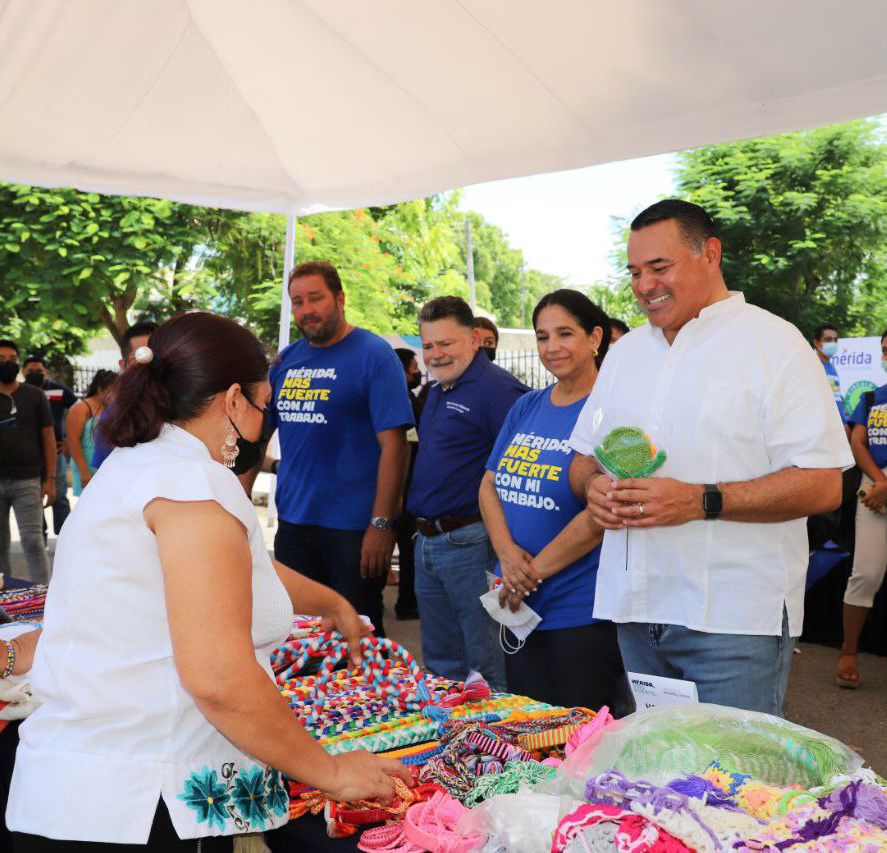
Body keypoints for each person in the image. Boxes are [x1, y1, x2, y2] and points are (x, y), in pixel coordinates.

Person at [7, 312, 408, 850]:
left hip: (90, 794)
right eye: (264, 406)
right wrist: (332, 772)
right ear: (235, 400)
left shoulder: (141, 464)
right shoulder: (190, 484)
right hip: (139, 805)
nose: (264, 425)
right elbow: (219, 677)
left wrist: (331, 604)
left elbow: (235, 568)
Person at [568, 199, 851, 716]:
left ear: (711, 254)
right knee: (656, 765)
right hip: (635, 611)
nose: (644, 285)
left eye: (660, 266)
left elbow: (823, 484)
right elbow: (583, 458)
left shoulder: (774, 344)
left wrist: (701, 501)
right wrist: (592, 487)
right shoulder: (626, 354)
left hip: (733, 620)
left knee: (734, 768)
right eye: (634, 272)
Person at [479, 290, 631, 713]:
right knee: (530, 730)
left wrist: (528, 574)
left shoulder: (612, 412)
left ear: (595, 337)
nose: (552, 347)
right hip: (517, 603)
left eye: (565, 334)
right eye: (543, 337)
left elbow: (602, 514)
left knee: (580, 735)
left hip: (578, 612)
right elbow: (488, 485)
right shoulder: (527, 405)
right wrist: (507, 556)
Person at [269, 262, 413, 637]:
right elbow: (254, 436)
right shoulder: (285, 362)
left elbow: (395, 447)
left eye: (315, 298)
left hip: (354, 532)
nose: (306, 310)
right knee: (300, 638)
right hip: (294, 527)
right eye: (298, 301)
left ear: (340, 298)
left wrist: (381, 525)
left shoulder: (374, 355)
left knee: (357, 638)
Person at [409, 296, 528, 687]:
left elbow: (517, 475)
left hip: (472, 543)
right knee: (441, 668)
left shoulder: (497, 389)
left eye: (446, 343)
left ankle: (494, 730)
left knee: (485, 667)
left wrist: (506, 550)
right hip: (428, 542)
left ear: (475, 339)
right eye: (428, 345)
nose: (435, 354)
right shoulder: (439, 389)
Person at [836, 329, 887, 688]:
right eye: (885, 350)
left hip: (881, 488)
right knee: (866, 574)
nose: (886, 357)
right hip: (875, 489)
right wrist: (881, 483)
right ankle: (848, 650)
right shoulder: (871, 398)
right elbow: (857, 443)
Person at [0, 340, 54, 584]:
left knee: (33, 541)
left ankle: (42, 595)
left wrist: (50, 478)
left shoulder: (34, 395)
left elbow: (48, 437)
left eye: (12, 359)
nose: (7, 363)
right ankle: (5, 596)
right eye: (2, 359)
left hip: (28, 480)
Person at [91, 322, 158, 470]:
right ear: (123, 365)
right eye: (139, 360)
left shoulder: (189, 407)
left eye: (155, 358)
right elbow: (105, 472)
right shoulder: (113, 417)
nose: (149, 368)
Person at [22, 355, 77, 534]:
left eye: (39, 370)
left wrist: (69, 439)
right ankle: (40, 537)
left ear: (46, 372)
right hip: (29, 454)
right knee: (33, 498)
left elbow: (79, 409)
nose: (35, 373)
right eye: (30, 371)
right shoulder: (18, 393)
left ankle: (66, 537)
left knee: (59, 494)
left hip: (56, 451)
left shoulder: (59, 391)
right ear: (23, 372)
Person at [392, 347, 423, 620]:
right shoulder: (404, 400)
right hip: (404, 486)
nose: (418, 373)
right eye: (414, 369)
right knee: (408, 548)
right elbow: (408, 445)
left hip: (402, 486)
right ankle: (407, 602)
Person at [67, 369, 116, 495]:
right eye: (113, 390)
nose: (116, 394)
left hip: (107, 466)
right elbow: (72, 440)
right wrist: (84, 471)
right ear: (100, 389)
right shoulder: (81, 407)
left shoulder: (111, 408)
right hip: (86, 464)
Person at [812, 323, 850, 433]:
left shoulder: (832, 367)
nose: (833, 343)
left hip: (838, 427)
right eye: (828, 339)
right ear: (817, 343)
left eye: (835, 340)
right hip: (822, 428)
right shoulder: (812, 365)